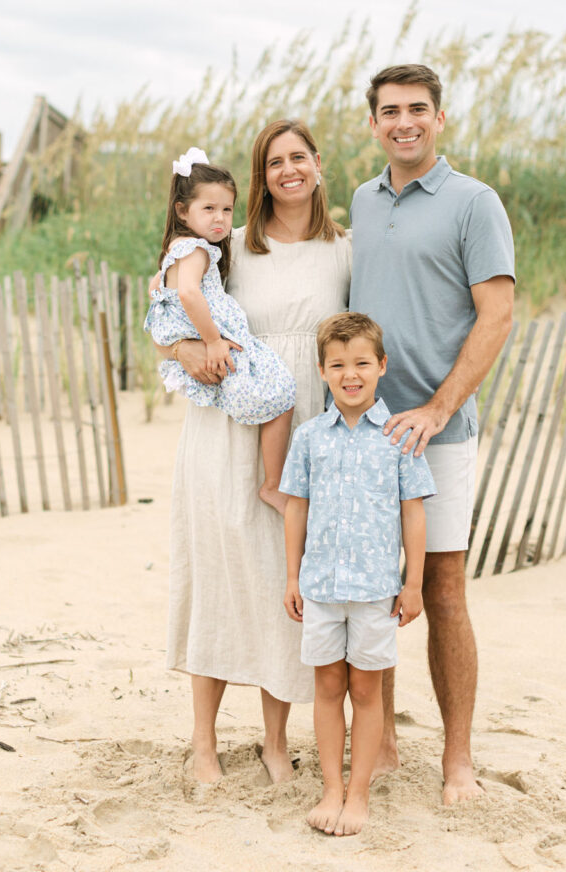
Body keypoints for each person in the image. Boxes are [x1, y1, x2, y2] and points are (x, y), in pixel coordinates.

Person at [154, 120, 351, 784]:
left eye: (298, 158)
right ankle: (203, 744)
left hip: (299, 429)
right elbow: (168, 322)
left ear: (318, 166)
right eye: (274, 162)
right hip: (223, 425)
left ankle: (274, 741)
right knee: (215, 572)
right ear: (260, 176)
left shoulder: (342, 252)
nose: (287, 170)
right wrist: (189, 351)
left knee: (278, 582)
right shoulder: (227, 244)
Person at [350, 63, 515, 804]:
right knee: (371, 585)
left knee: (443, 590)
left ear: (439, 119)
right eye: (390, 111)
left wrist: (440, 408)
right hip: (366, 434)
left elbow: (496, 315)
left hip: (437, 435)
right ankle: (380, 740)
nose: (403, 122)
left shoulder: (473, 203)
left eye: (417, 109)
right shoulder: (360, 199)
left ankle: (457, 761)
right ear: (375, 122)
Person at [281, 312, 435, 835]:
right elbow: (295, 508)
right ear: (322, 370)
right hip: (321, 587)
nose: (351, 374)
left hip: (375, 592)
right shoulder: (308, 438)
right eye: (339, 364)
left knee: (367, 691)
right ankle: (331, 788)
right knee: (327, 685)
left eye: (362, 363)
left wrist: (413, 583)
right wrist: (291, 578)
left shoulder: (399, 437)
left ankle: (359, 794)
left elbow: (414, 511)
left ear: (381, 366)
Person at [144, 147, 295, 515]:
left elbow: (157, 289)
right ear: (183, 211)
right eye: (208, 209)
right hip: (217, 340)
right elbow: (189, 292)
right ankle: (273, 484)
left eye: (227, 210)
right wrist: (212, 340)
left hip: (204, 337)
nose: (220, 219)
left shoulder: (177, 250)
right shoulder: (195, 249)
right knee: (282, 393)